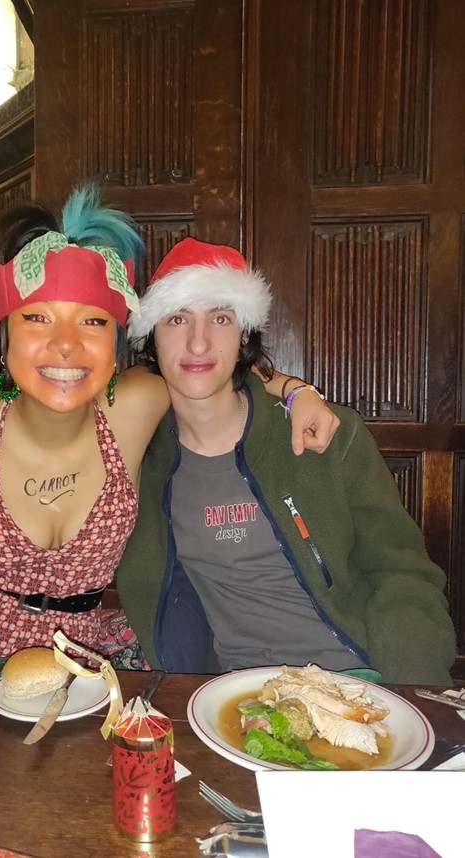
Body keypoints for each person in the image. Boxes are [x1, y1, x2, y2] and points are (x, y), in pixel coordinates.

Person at [0, 188, 337, 659]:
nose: (64, 345)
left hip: (80, 657)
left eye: (92, 322)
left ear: (116, 347)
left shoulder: (137, 406)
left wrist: (296, 391)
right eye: (38, 318)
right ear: (5, 335)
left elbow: (214, 367)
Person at [116, 237, 456, 685]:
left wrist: (414, 691)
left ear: (243, 336)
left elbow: (403, 574)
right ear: (151, 336)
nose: (198, 343)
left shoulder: (329, 435)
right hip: (230, 698)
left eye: (220, 317)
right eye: (177, 319)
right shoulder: (141, 457)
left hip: (361, 680)